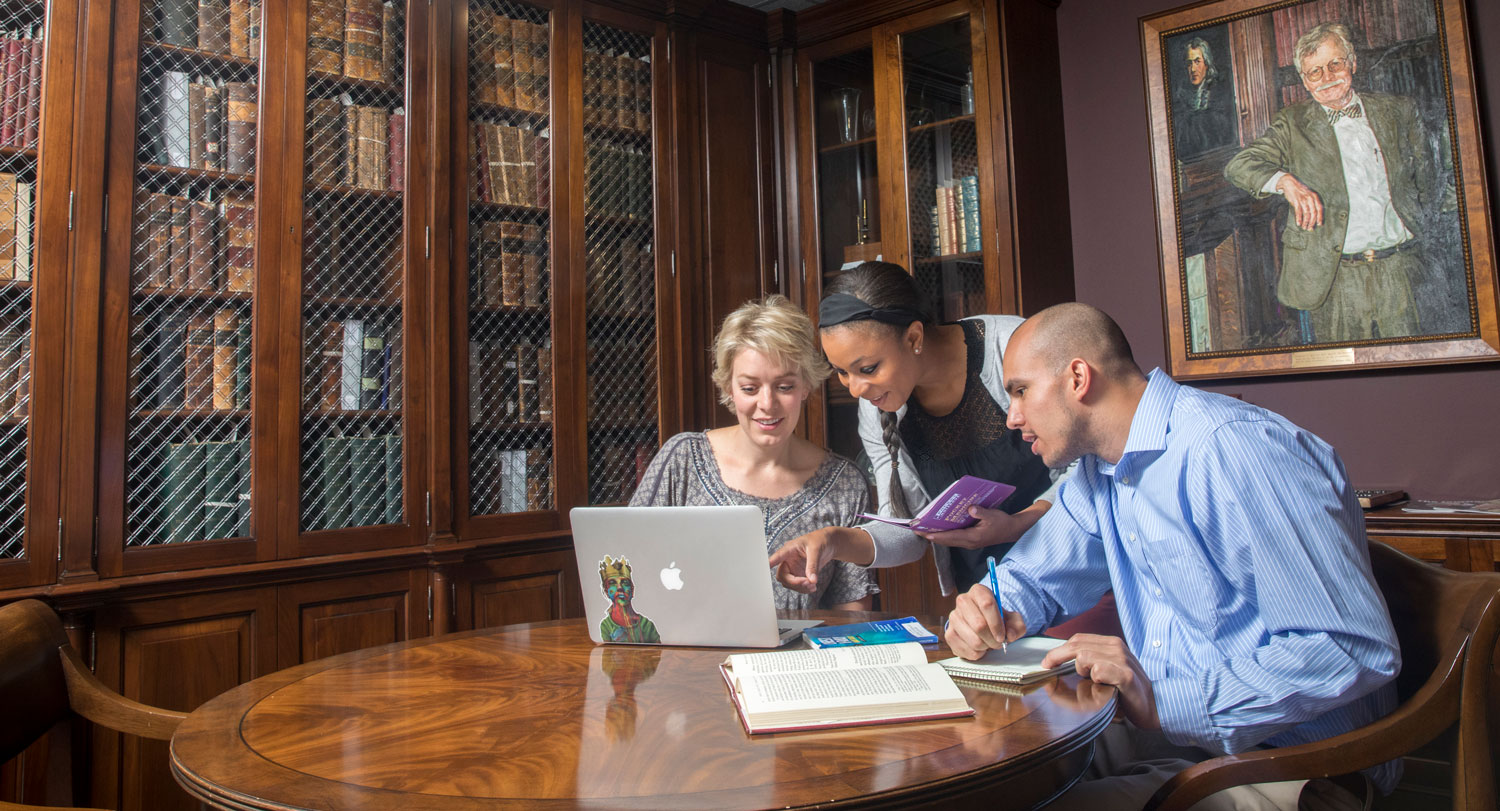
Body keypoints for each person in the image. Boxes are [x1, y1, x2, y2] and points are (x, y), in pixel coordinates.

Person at [945, 302, 1400, 810]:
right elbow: (1035, 576)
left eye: (1020, 391)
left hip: (1296, 765)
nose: (1013, 418)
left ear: (1077, 378)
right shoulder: (1099, 473)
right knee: (970, 782)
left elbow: (1352, 648)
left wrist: (1161, 702)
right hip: (1175, 741)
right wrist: (989, 605)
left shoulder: (1239, 451)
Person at [768, 261, 1067, 597]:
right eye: (842, 372)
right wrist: (833, 541)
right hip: (987, 598)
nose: (855, 389)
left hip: (1071, 575)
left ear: (913, 337)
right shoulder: (878, 406)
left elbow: (1085, 473)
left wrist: (1016, 525)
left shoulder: (1012, 348)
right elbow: (906, 530)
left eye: (867, 368)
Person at [630, 295, 876, 611]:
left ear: (806, 387)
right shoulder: (682, 460)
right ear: (729, 387)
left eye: (784, 387)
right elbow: (623, 569)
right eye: (750, 388)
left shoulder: (845, 485)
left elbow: (853, 618)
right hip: (685, 657)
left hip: (795, 660)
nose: (767, 404)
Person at [1225, 22, 1438, 343]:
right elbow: (1238, 165)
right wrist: (1286, 182)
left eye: (1335, 64)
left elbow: (1431, 180)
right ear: (1304, 80)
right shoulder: (1292, 123)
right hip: (1334, 276)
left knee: (1415, 363)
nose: (1327, 77)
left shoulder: (1398, 111)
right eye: (1314, 72)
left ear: (1352, 63)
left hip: (1400, 270)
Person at [1172, 35, 1237, 157]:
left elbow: (1220, 129)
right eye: (1189, 63)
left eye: (1197, 62)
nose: (1193, 69)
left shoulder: (1218, 91)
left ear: (1207, 64)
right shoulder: (1181, 96)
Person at [597, 555, 660, 644]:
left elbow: (659, 653)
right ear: (606, 591)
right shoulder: (606, 626)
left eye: (625, 582)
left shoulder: (647, 625)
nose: (619, 587)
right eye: (612, 583)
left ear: (632, 589)